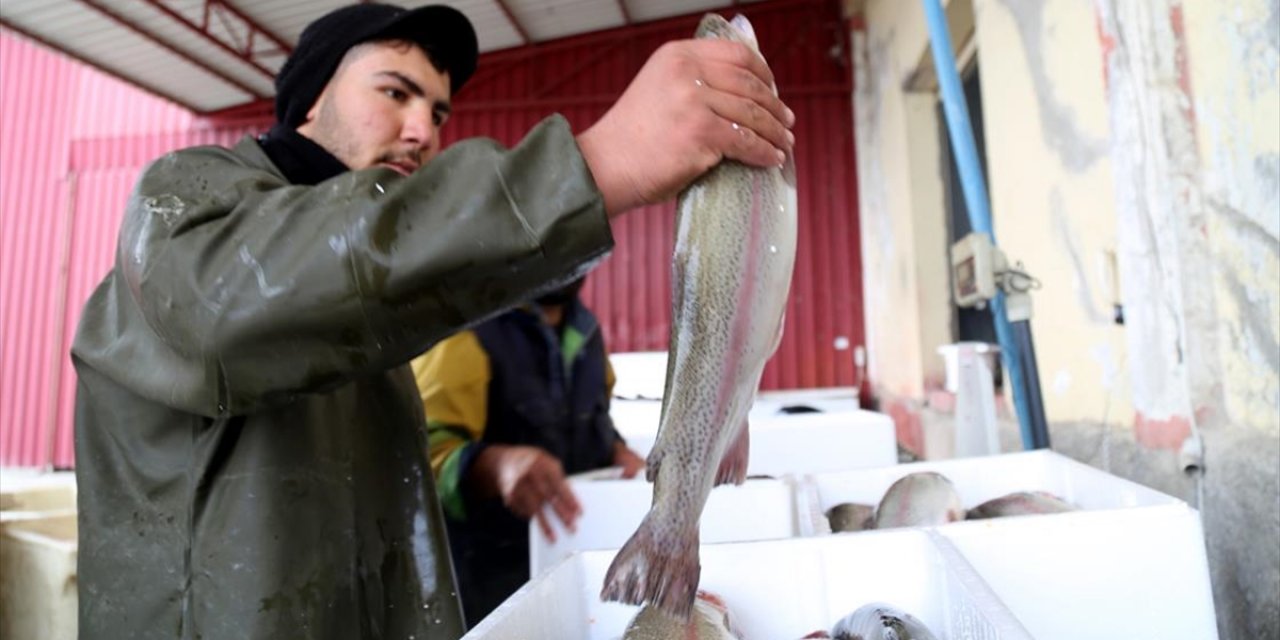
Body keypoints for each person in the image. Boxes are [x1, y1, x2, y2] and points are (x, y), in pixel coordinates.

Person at [70, 2, 794, 638]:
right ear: (310, 101)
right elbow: (236, 301)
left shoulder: (382, 310)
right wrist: (597, 163)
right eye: (395, 91)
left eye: (440, 112)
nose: (423, 129)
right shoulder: (186, 211)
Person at [411, 275, 644, 625]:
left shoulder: (587, 330)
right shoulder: (462, 330)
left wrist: (617, 452)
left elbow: (597, 418)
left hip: (574, 580)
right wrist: (494, 465)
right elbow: (417, 463)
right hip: (486, 597)